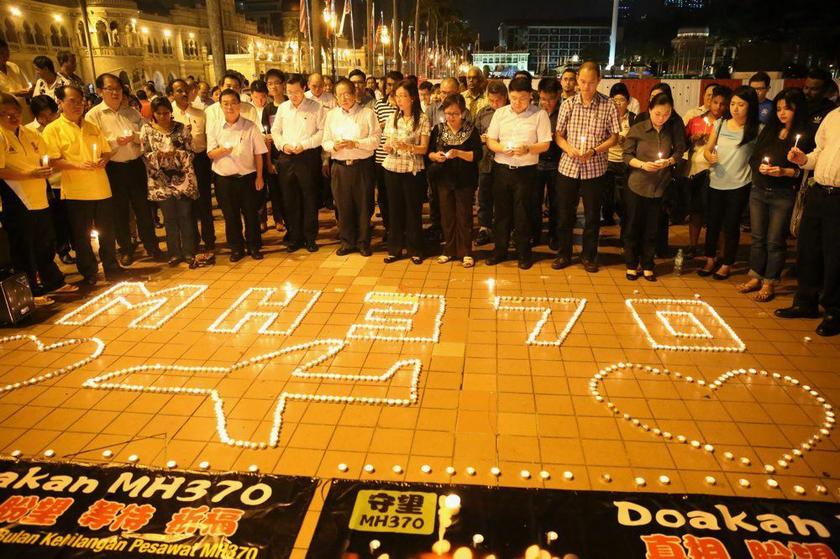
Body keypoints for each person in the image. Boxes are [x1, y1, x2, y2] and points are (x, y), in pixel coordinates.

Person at [737, 88, 811, 302]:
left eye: (788, 109)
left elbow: (804, 169)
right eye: (778, 109)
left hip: (783, 193)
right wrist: (760, 167)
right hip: (759, 189)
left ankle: (770, 281)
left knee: (775, 239)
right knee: (758, 237)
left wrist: (785, 171)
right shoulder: (769, 130)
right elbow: (754, 157)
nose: (782, 113)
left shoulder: (804, 136)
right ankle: (755, 276)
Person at [43, 85, 121, 285]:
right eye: (72, 101)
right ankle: (89, 271)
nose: (78, 105)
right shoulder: (53, 129)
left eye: (80, 101)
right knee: (81, 234)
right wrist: (76, 165)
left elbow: (105, 150)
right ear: (60, 103)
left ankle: (111, 266)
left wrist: (105, 160)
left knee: (107, 230)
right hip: (76, 191)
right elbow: (52, 159)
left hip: (101, 187)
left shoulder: (91, 126)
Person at [0, 93, 76, 295]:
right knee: (23, 246)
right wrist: (28, 174)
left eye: (16, 113)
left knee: (45, 241)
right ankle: (31, 290)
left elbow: (45, 158)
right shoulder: (1, 136)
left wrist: (46, 169)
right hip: (16, 197)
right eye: (5, 114)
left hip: (40, 195)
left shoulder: (30, 134)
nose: (13, 117)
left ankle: (53, 281)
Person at [86, 73, 163, 265]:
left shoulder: (131, 112)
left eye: (118, 89)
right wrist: (114, 142)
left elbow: (146, 134)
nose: (115, 93)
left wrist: (134, 137)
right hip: (113, 168)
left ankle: (151, 245)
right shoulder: (94, 115)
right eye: (110, 88)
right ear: (99, 91)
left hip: (135, 165)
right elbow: (93, 142)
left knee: (143, 208)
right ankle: (126, 249)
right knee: (119, 211)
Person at [777, 105, 840, 336]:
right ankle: (806, 301)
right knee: (808, 248)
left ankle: (834, 310)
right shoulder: (833, 116)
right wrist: (803, 159)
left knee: (835, 255)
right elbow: (819, 151)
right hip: (819, 191)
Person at [553, 62, 620, 272]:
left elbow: (615, 137)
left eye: (591, 82)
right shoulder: (569, 104)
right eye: (582, 81)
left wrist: (595, 150)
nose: (586, 86)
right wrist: (568, 148)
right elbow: (558, 135)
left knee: (592, 215)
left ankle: (589, 255)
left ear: (599, 81)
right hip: (569, 167)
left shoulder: (608, 105)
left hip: (595, 168)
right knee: (565, 214)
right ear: (577, 80)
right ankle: (564, 253)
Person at [485, 77, 552, 270]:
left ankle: (524, 253)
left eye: (522, 98)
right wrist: (501, 148)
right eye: (513, 98)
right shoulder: (500, 113)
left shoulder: (539, 115)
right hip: (502, 169)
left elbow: (545, 144)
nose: (517, 103)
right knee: (501, 212)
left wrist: (529, 149)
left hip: (526, 172)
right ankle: (500, 250)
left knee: (523, 212)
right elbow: (491, 141)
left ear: (530, 96)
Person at [698, 85, 759, 280]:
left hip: (739, 183)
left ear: (750, 106)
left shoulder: (756, 129)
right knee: (713, 222)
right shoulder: (721, 124)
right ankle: (710, 259)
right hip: (716, 180)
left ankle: (726, 263)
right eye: (733, 104)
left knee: (731, 225)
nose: (735, 108)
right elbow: (708, 149)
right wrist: (710, 156)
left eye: (741, 104)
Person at [622, 93, 684, 282]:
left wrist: (670, 161)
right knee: (633, 225)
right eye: (658, 114)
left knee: (652, 227)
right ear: (649, 110)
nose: (661, 118)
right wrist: (642, 164)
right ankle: (632, 264)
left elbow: (680, 149)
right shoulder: (638, 129)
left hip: (659, 186)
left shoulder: (671, 130)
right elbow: (626, 155)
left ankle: (648, 264)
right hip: (638, 184)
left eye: (666, 114)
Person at [206, 89, 268, 262]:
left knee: (251, 214)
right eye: (225, 103)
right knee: (230, 216)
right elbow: (210, 153)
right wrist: (223, 151)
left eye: (233, 103)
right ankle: (236, 248)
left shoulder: (250, 127)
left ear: (239, 105)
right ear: (220, 106)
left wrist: (260, 177)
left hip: (247, 177)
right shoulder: (215, 127)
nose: (229, 107)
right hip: (224, 179)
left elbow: (259, 154)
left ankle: (254, 246)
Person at [322, 78, 380, 256]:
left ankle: (363, 242)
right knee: (343, 205)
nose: (344, 98)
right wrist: (334, 146)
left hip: (361, 166)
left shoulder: (367, 113)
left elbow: (376, 140)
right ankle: (347, 242)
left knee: (364, 205)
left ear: (355, 94)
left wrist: (356, 143)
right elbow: (325, 141)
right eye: (340, 95)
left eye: (347, 93)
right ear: (336, 97)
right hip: (339, 167)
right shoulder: (332, 115)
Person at [140, 97, 199, 268]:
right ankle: (174, 252)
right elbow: (144, 154)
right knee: (170, 218)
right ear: (154, 114)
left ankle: (189, 251)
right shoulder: (147, 130)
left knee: (185, 216)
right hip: (161, 181)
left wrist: (177, 155)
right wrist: (158, 156)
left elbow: (191, 151)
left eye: (166, 113)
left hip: (182, 179)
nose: (163, 116)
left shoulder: (180, 128)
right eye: (159, 113)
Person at [271, 73, 325, 252]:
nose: (293, 95)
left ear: (304, 89)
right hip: (286, 158)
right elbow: (275, 131)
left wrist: (305, 144)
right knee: (289, 199)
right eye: (289, 92)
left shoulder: (316, 108)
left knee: (309, 198)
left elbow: (322, 132)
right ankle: (295, 237)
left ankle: (310, 237)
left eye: (296, 91)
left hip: (307, 156)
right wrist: (283, 145)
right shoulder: (283, 108)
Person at [427, 94, 482, 268]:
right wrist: (436, 156)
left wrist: (459, 153)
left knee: (464, 215)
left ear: (463, 112)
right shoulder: (438, 129)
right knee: (447, 216)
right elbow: (429, 153)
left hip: (465, 179)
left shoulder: (471, 130)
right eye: (448, 113)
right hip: (444, 179)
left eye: (455, 114)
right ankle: (449, 250)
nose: (451, 117)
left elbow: (477, 154)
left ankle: (466, 251)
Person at [381, 80, 430, 264]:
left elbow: (423, 148)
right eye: (397, 96)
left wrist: (408, 147)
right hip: (392, 167)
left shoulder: (422, 119)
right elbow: (387, 142)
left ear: (413, 98)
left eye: (403, 96)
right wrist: (389, 147)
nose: (400, 100)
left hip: (412, 170)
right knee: (395, 210)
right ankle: (394, 249)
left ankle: (416, 249)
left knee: (413, 210)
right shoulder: (393, 117)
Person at [169, 79, 214, 261]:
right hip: (180, 165)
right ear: (173, 94)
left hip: (200, 160)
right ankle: (192, 241)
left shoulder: (200, 114)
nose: (184, 93)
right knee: (187, 206)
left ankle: (209, 239)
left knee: (204, 203)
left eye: (186, 90)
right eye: (179, 90)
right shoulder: (169, 114)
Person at [683, 85, 731, 257]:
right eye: (715, 102)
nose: (718, 107)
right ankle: (693, 245)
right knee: (696, 210)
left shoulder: (729, 124)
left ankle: (719, 250)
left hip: (720, 172)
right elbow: (682, 142)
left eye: (723, 104)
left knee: (718, 214)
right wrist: (693, 139)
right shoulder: (696, 121)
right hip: (697, 171)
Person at [474, 80, 508, 247]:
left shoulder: (511, 113)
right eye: (491, 100)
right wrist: (480, 138)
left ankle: (504, 229)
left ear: (505, 97)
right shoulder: (483, 113)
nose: (494, 104)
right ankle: (484, 227)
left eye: (498, 100)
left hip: (506, 162)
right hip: (486, 161)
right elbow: (474, 133)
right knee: (484, 196)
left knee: (504, 197)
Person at [373, 71, 403, 242]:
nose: (391, 88)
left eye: (395, 84)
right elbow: (374, 128)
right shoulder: (380, 104)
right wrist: (385, 124)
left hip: (401, 156)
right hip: (382, 156)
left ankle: (400, 227)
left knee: (398, 194)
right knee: (383, 195)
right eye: (389, 84)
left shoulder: (405, 103)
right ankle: (389, 227)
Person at [604, 82, 636, 228]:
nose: (618, 104)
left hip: (624, 161)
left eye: (621, 100)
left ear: (628, 102)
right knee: (607, 193)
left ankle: (625, 219)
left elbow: (636, 140)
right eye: (615, 101)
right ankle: (607, 217)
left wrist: (624, 140)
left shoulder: (633, 119)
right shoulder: (606, 117)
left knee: (623, 195)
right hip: (608, 159)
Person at [535, 77, 561, 247]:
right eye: (543, 98)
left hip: (557, 162)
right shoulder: (535, 112)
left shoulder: (565, 110)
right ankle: (534, 234)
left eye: (550, 99)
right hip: (536, 162)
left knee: (556, 201)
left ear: (558, 95)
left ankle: (554, 235)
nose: (546, 103)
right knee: (534, 200)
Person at [205, 72, 258, 140]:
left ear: (240, 89)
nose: (232, 89)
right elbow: (210, 137)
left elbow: (256, 134)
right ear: (221, 87)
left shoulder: (249, 109)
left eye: (236, 87)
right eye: (228, 86)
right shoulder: (211, 111)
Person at [802, 67, 837, 134]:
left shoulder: (831, 112)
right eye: (806, 87)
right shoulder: (797, 104)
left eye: (813, 89)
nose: (807, 92)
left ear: (824, 90)